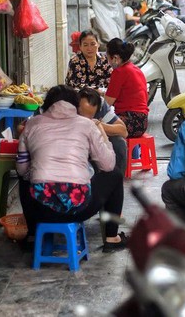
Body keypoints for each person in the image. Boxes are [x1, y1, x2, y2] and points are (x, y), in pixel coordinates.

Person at [16, 85, 128, 252]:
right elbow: (108, 165)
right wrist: (103, 134)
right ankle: (112, 237)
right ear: (75, 106)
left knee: (24, 179)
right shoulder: (87, 125)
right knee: (115, 175)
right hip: (78, 207)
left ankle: (33, 236)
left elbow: (21, 170)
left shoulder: (31, 125)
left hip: (41, 209)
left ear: (46, 105)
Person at [105, 38, 149, 138]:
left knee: (97, 126)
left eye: (107, 56)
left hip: (131, 121)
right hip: (142, 121)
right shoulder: (135, 69)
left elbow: (107, 103)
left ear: (115, 57)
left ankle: (118, 154)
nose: (107, 59)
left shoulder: (119, 72)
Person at [78, 87, 128, 176]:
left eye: (91, 116)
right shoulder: (69, 106)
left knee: (119, 143)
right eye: (82, 115)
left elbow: (123, 131)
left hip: (98, 145)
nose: (86, 120)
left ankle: (116, 184)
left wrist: (99, 125)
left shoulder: (101, 106)